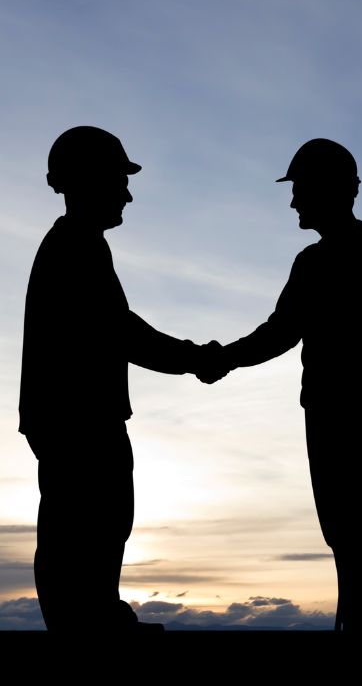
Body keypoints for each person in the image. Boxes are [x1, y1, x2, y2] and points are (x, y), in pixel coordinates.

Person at [203, 138, 362, 632]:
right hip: (331, 413)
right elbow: (280, 332)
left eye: (301, 189)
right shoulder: (312, 262)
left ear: (334, 190)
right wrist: (225, 357)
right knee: (345, 530)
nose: (293, 202)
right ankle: (358, 626)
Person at [19, 126, 221, 632]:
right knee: (89, 526)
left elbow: (118, 331)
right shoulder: (74, 247)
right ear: (87, 180)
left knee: (93, 527)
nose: (128, 192)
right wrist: (195, 358)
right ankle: (89, 626)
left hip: (73, 418)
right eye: (118, 178)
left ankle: (95, 618)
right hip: (80, 420)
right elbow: (122, 333)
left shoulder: (75, 244)